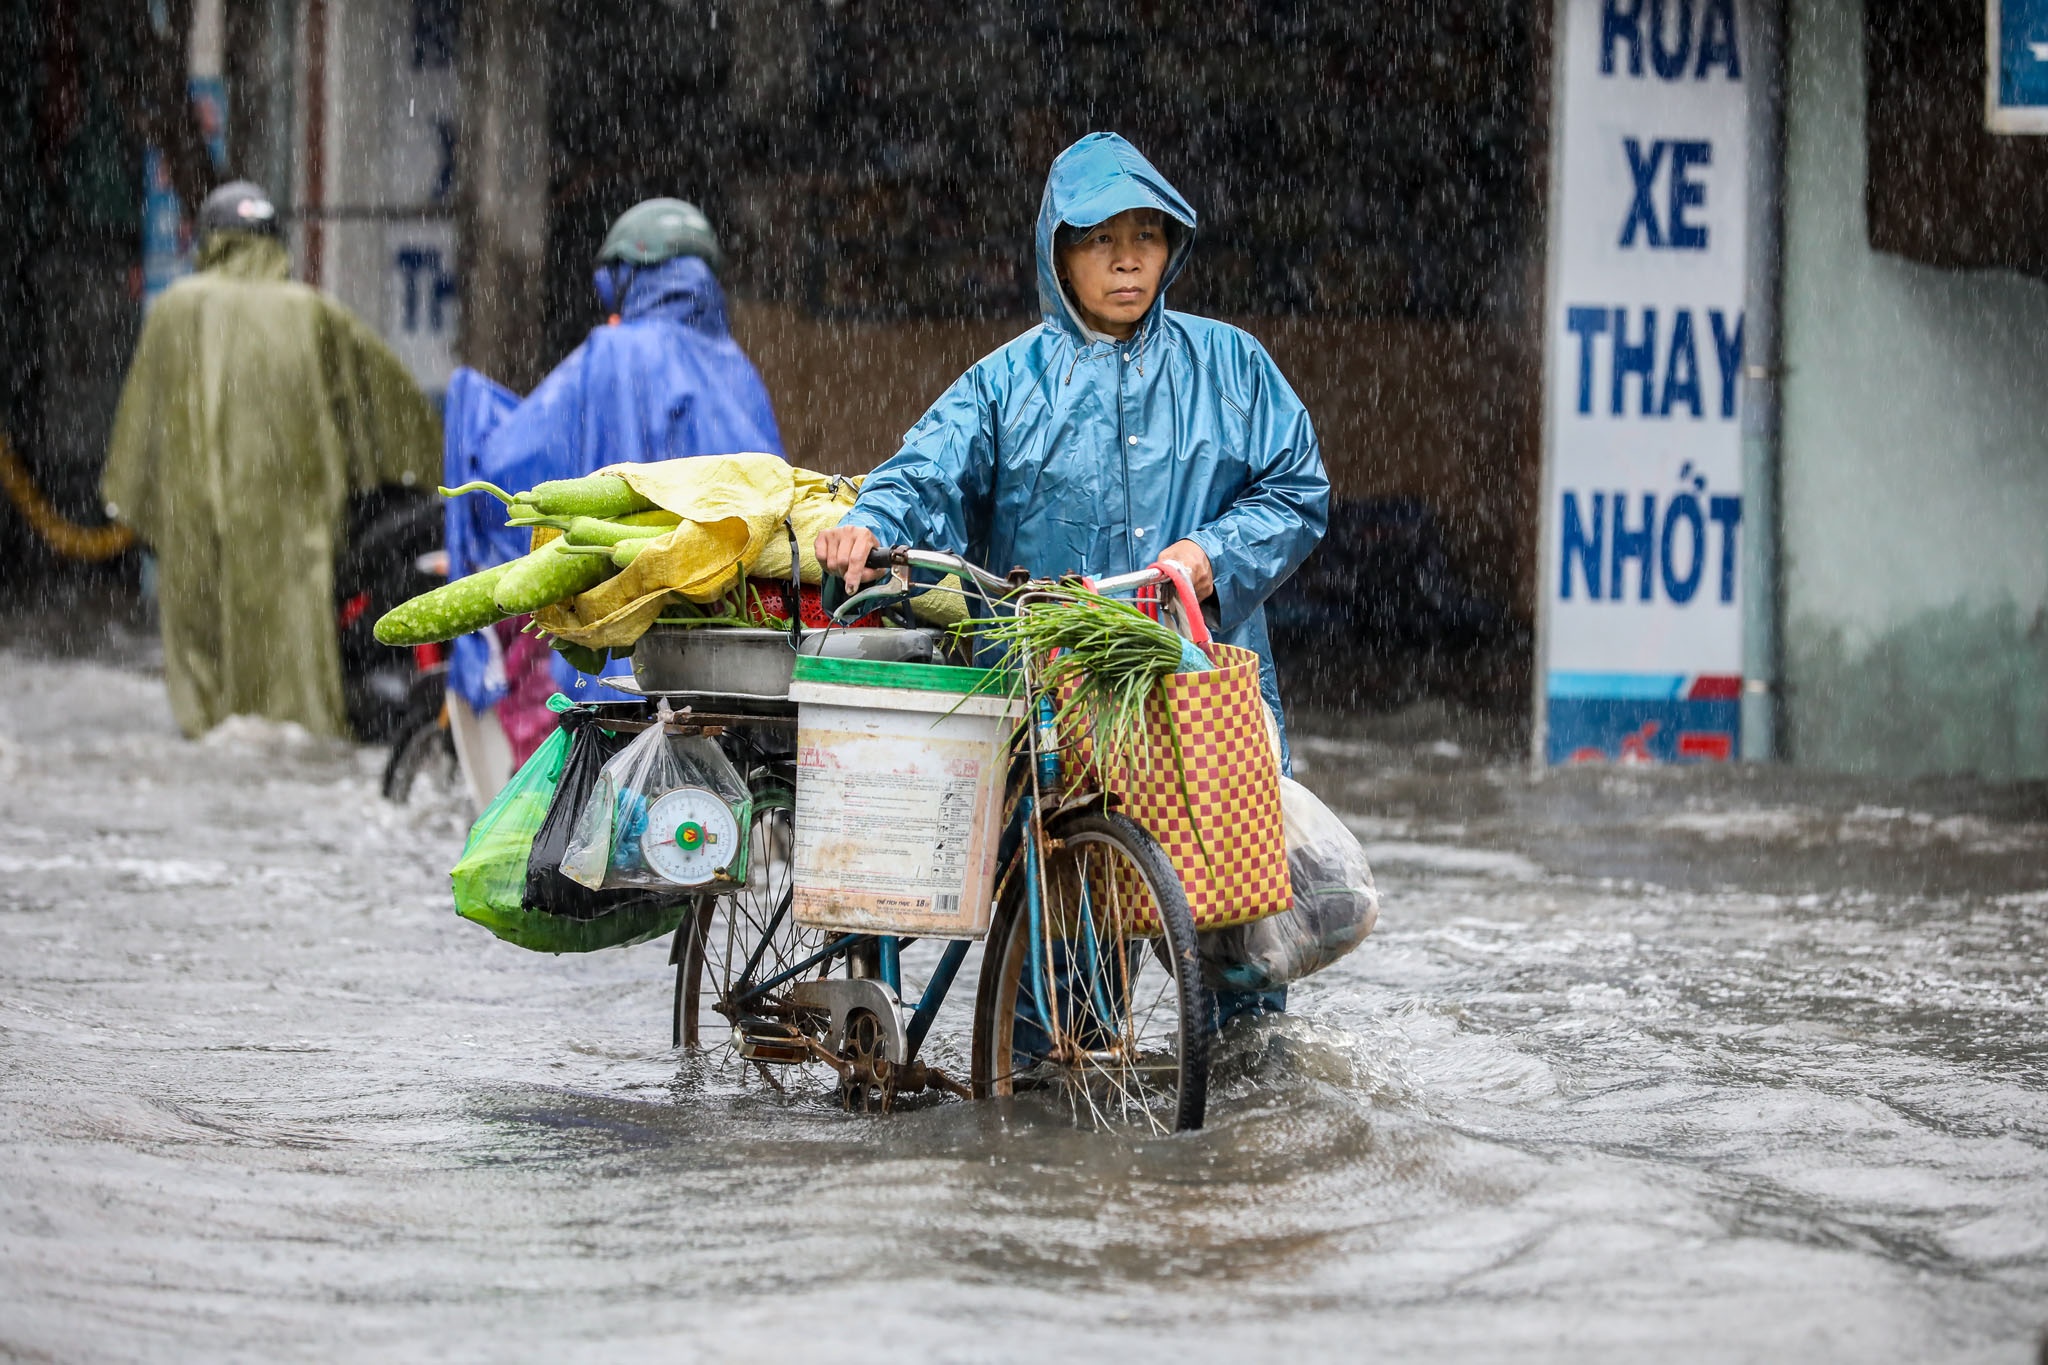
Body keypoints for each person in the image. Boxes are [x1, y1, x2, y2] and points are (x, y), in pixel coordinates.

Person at [818, 131, 1329, 1024]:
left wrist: (1212, 553)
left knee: (1237, 949)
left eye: (1147, 235)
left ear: (1173, 246)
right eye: (1100, 239)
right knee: (1065, 940)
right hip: (1057, 690)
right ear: (1059, 255)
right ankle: (1050, 1096)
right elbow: (925, 470)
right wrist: (871, 522)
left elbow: (1297, 488)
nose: (1128, 260)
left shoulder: (1233, 366)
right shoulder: (1004, 384)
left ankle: (1242, 1100)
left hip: (1198, 688)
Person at [442, 197, 786, 762]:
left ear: (628, 275)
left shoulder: (613, 353)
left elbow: (516, 459)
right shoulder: (738, 370)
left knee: (607, 784)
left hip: (630, 635)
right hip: (731, 642)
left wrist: (470, 410)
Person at [103, 181, 441, 740]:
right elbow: (395, 411)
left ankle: (211, 731)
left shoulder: (176, 309)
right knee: (295, 663)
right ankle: (297, 729)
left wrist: (149, 508)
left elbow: (138, 442)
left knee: (205, 670)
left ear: (212, 240)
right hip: (295, 530)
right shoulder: (313, 312)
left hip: (197, 528)